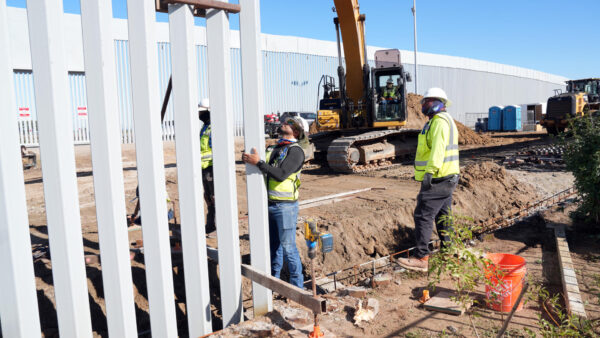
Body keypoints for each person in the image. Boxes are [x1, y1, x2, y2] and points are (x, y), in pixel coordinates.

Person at [397, 87, 460, 272]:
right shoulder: (441, 121)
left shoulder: (439, 122)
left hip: (439, 177)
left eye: (427, 102)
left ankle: (421, 257)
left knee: (423, 215)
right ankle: (449, 252)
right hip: (447, 176)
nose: (424, 105)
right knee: (443, 215)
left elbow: (438, 150)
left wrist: (429, 173)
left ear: (438, 103)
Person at [242, 117, 306, 288]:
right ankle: (273, 284)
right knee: (274, 247)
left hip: (285, 206)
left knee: (288, 247)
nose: (284, 123)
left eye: (290, 124)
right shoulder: (274, 147)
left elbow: (281, 174)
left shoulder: (296, 151)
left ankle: (297, 287)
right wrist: (250, 160)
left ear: (296, 132)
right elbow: (262, 168)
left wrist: (259, 163)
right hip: (269, 204)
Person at [199, 98, 216, 236]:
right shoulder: (205, 127)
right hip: (204, 167)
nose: (199, 115)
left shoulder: (214, 127)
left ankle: (215, 227)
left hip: (211, 167)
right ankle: (210, 226)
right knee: (208, 197)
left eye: (202, 112)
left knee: (215, 197)